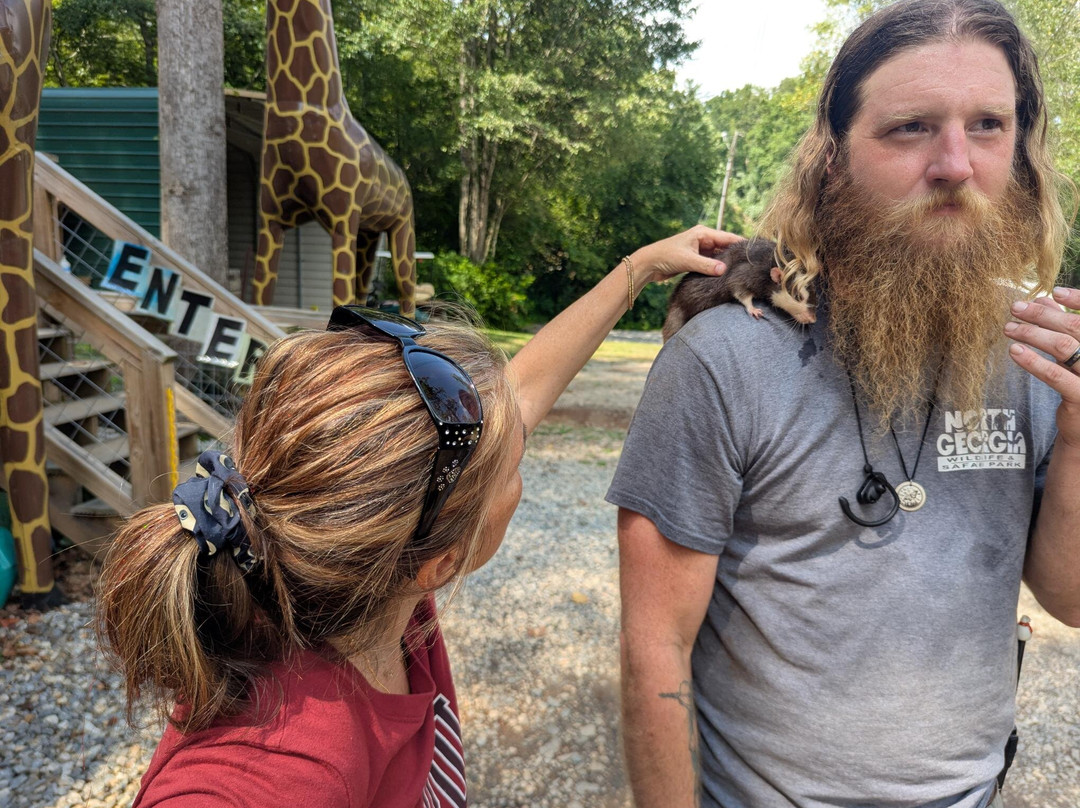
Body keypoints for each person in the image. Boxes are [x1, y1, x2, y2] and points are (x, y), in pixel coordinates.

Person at [607, 2, 1079, 807]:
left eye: (990, 124)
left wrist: (1078, 442)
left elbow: (1067, 597)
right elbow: (655, 646)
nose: (956, 164)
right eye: (910, 128)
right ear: (831, 159)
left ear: (1024, 155)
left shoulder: (1040, 352)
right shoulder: (726, 356)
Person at [95, 225, 738, 807]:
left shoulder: (368, 582)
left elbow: (522, 393)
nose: (524, 447)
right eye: (515, 465)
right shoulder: (283, 768)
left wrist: (641, 266)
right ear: (440, 563)